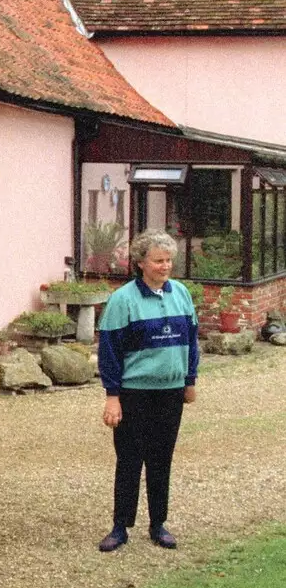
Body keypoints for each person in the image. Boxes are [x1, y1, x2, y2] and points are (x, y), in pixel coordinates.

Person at [96, 229, 199, 553]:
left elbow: (191, 341)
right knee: (129, 460)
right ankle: (119, 526)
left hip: (170, 392)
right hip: (134, 393)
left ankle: (158, 524)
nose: (165, 266)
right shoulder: (122, 300)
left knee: (161, 459)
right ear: (141, 263)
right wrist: (112, 396)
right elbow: (109, 351)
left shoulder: (180, 293)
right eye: (158, 261)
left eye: (169, 260)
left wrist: (190, 380)